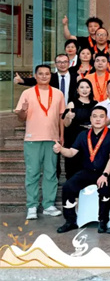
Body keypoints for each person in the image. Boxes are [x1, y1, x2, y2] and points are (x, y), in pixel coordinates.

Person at [53, 106, 110, 233]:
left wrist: (105, 175)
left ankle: (103, 221)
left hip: (106, 172)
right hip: (87, 171)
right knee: (68, 187)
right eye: (95, 116)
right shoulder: (83, 135)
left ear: (106, 119)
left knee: (104, 187)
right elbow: (71, 152)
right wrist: (61, 149)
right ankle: (70, 221)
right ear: (90, 119)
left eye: (101, 116)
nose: (98, 119)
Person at [15, 64, 66, 220]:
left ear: (51, 76)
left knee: (51, 173)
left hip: (52, 139)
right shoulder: (27, 93)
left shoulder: (58, 94)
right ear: (35, 76)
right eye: (41, 74)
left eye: (47, 74)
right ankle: (32, 206)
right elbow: (21, 118)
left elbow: (61, 117)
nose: (44, 76)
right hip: (32, 139)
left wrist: (61, 136)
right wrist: (23, 110)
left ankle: (48, 205)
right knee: (33, 173)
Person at [62, 79, 97, 179]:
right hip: (74, 137)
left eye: (87, 87)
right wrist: (68, 117)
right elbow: (66, 124)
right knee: (73, 164)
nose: (84, 90)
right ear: (77, 90)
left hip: (90, 138)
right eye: (81, 87)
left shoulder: (95, 104)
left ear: (91, 89)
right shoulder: (72, 104)